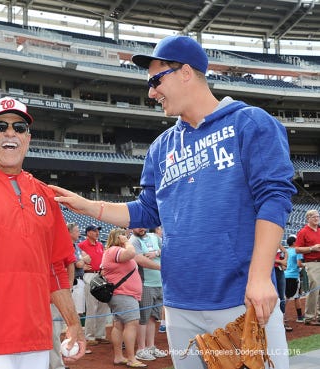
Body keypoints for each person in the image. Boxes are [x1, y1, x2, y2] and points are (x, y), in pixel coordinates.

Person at [50, 35, 296, 369]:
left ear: (185, 72)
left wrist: (259, 278)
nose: (151, 92)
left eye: (156, 80)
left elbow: (274, 197)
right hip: (180, 302)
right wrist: (90, 206)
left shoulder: (249, 122)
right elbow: (147, 209)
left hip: (241, 297)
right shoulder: (161, 146)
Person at [0, 97, 85, 369]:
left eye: (19, 127)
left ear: (28, 138)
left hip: (36, 336)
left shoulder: (45, 195)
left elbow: (56, 268)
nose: (10, 133)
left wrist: (73, 323)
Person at [101, 228, 146, 368]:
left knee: (119, 325)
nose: (127, 237)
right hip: (124, 294)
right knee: (131, 324)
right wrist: (126, 242)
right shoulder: (115, 250)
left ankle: (119, 357)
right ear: (119, 237)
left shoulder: (112, 251)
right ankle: (132, 358)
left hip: (122, 294)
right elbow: (132, 252)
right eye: (125, 235)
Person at [129, 228, 167, 361]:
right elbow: (140, 259)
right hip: (145, 284)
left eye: (142, 225)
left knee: (153, 318)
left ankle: (151, 347)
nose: (141, 228)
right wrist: (162, 267)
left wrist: (156, 252)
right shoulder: (133, 240)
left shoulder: (154, 237)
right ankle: (141, 349)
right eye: (137, 225)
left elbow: (168, 249)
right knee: (143, 318)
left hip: (159, 283)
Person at [78, 224, 111, 346]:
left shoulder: (100, 244)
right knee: (92, 307)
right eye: (94, 230)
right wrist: (83, 267)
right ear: (88, 233)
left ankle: (100, 334)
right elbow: (77, 259)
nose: (97, 232)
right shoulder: (82, 245)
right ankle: (90, 336)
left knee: (103, 306)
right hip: (89, 275)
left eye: (98, 230)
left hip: (101, 275)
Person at [50, 251, 76, 369]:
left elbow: (70, 261)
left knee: (53, 332)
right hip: (35, 294)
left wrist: (69, 285)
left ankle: (56, 365)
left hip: (53, 294)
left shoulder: (57, 241)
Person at [294, 209, 320, 326]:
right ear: (308, 218)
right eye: (314, 216)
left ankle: (318, 316)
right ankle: (309, 317)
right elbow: (297, 249)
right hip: (312, 262)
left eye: (317, 216)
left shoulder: (319, 230)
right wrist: (312, 248)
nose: (316, 218)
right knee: (314, 288)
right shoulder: (303, 231)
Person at [284, 234, 305, 324]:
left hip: (285, 275)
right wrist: (307, 265)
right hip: (293, 276)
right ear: (294, 242)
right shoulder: (297, 251)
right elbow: (299, 264)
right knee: (293, 296)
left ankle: (299, 316)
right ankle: (299, 317)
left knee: (288, 296)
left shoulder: (286, 251)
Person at [273, 245, 289, 331]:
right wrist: (281, 262)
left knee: (282, 297)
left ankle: (282, 321)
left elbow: (286, 252)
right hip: (270, 270)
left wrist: (284, 261)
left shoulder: (277, 242)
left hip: (279, 270)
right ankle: (275, 322)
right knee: (274, 296)